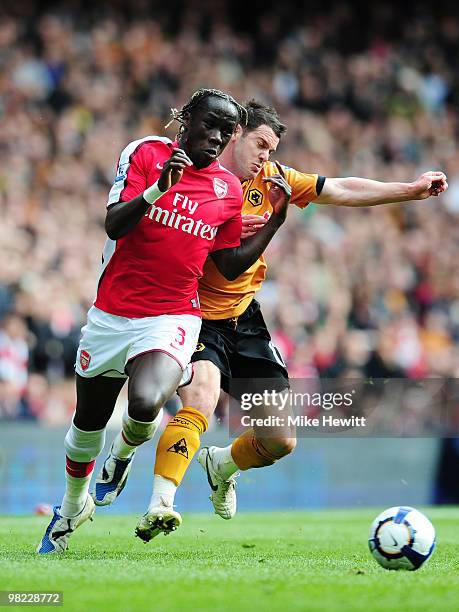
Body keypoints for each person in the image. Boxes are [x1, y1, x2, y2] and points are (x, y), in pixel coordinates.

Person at [97, 100, 448, 542]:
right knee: (200, 398)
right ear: (234, 134)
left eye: (272, 147)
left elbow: (338, 189)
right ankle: (160, 505)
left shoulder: (273, 179)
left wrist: (410, 189)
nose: (266, 155)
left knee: (280, 440)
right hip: (191, 313)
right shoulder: (194, 177)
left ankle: (221, 464)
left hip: (245, 318)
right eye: (260, 144)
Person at [36, 89, 292, 555]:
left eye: (226, 131)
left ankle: (125, 454)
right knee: (86, 425)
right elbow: (114, 225)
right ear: (185, 119)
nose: (216, 138)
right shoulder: (146, 153)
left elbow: (230, 265)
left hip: (172, 315)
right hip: (112, 314)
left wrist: (273, 223)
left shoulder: (227, 190)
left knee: (148, 399)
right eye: (209, 125)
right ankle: (72, 507)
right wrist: (158, 190)